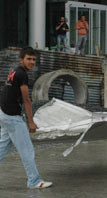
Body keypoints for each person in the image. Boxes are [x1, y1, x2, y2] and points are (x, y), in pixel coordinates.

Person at [0, 47, 53, 188]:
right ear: (21, 59)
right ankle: (34, 181)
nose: (32, 62)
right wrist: (31, 122)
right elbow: (27, 100)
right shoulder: (21, 74)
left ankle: (34, 180)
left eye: (34, 59)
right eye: (28, 59)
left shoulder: (14, 71)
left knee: (2, 148)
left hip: (4, 114)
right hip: (12, 117)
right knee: (27, 150)